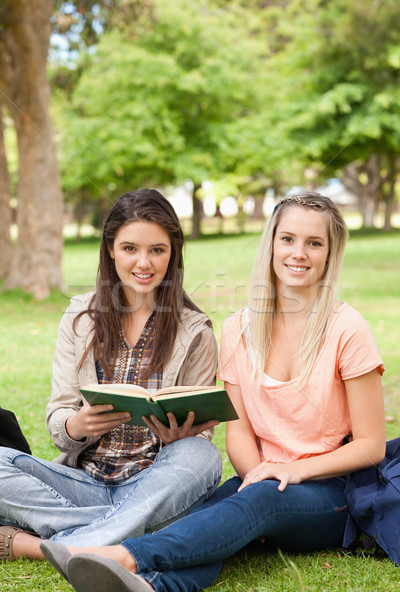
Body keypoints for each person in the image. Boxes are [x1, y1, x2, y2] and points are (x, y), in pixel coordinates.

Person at [40, 191, 386, 592]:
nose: (299, 253)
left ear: (331, 252)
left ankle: (122, 554)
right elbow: (238, 432)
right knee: (206, 524)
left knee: (258, 501)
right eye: (288, 239)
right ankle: (149, 586)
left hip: (332, 491)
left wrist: (289, 472)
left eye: (315, 243)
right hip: (259, 480)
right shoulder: (240, 327)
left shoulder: (348, 327)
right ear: (271, 243)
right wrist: (254, 476)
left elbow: (370, 445)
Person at [0, 188, 222, 562]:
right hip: (81, 483)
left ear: (173, 253)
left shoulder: (196, 332)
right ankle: (120, 533)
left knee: (203, 456)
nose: (144, 262)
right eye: (130, 248)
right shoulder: (79, 317)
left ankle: (72, 546)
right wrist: (78, 424)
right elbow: (58, 420)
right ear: (110, 250)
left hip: (154, 482)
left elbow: (199, 436)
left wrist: (175, 437)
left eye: (157, 250)